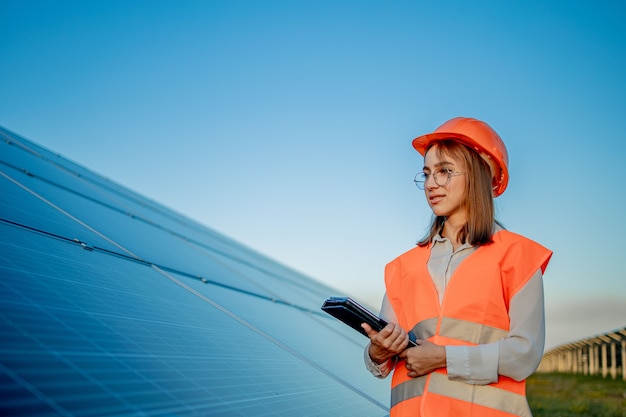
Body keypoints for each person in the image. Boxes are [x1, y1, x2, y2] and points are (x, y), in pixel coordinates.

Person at [361, 117, 552, 417]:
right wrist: (378, 351)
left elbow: (524, 355)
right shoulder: (402, 267)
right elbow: (380, 363)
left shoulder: (518, 256)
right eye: (426, 174)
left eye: (445, 172)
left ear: (479, 174)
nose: (431, 184)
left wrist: (444, 358)